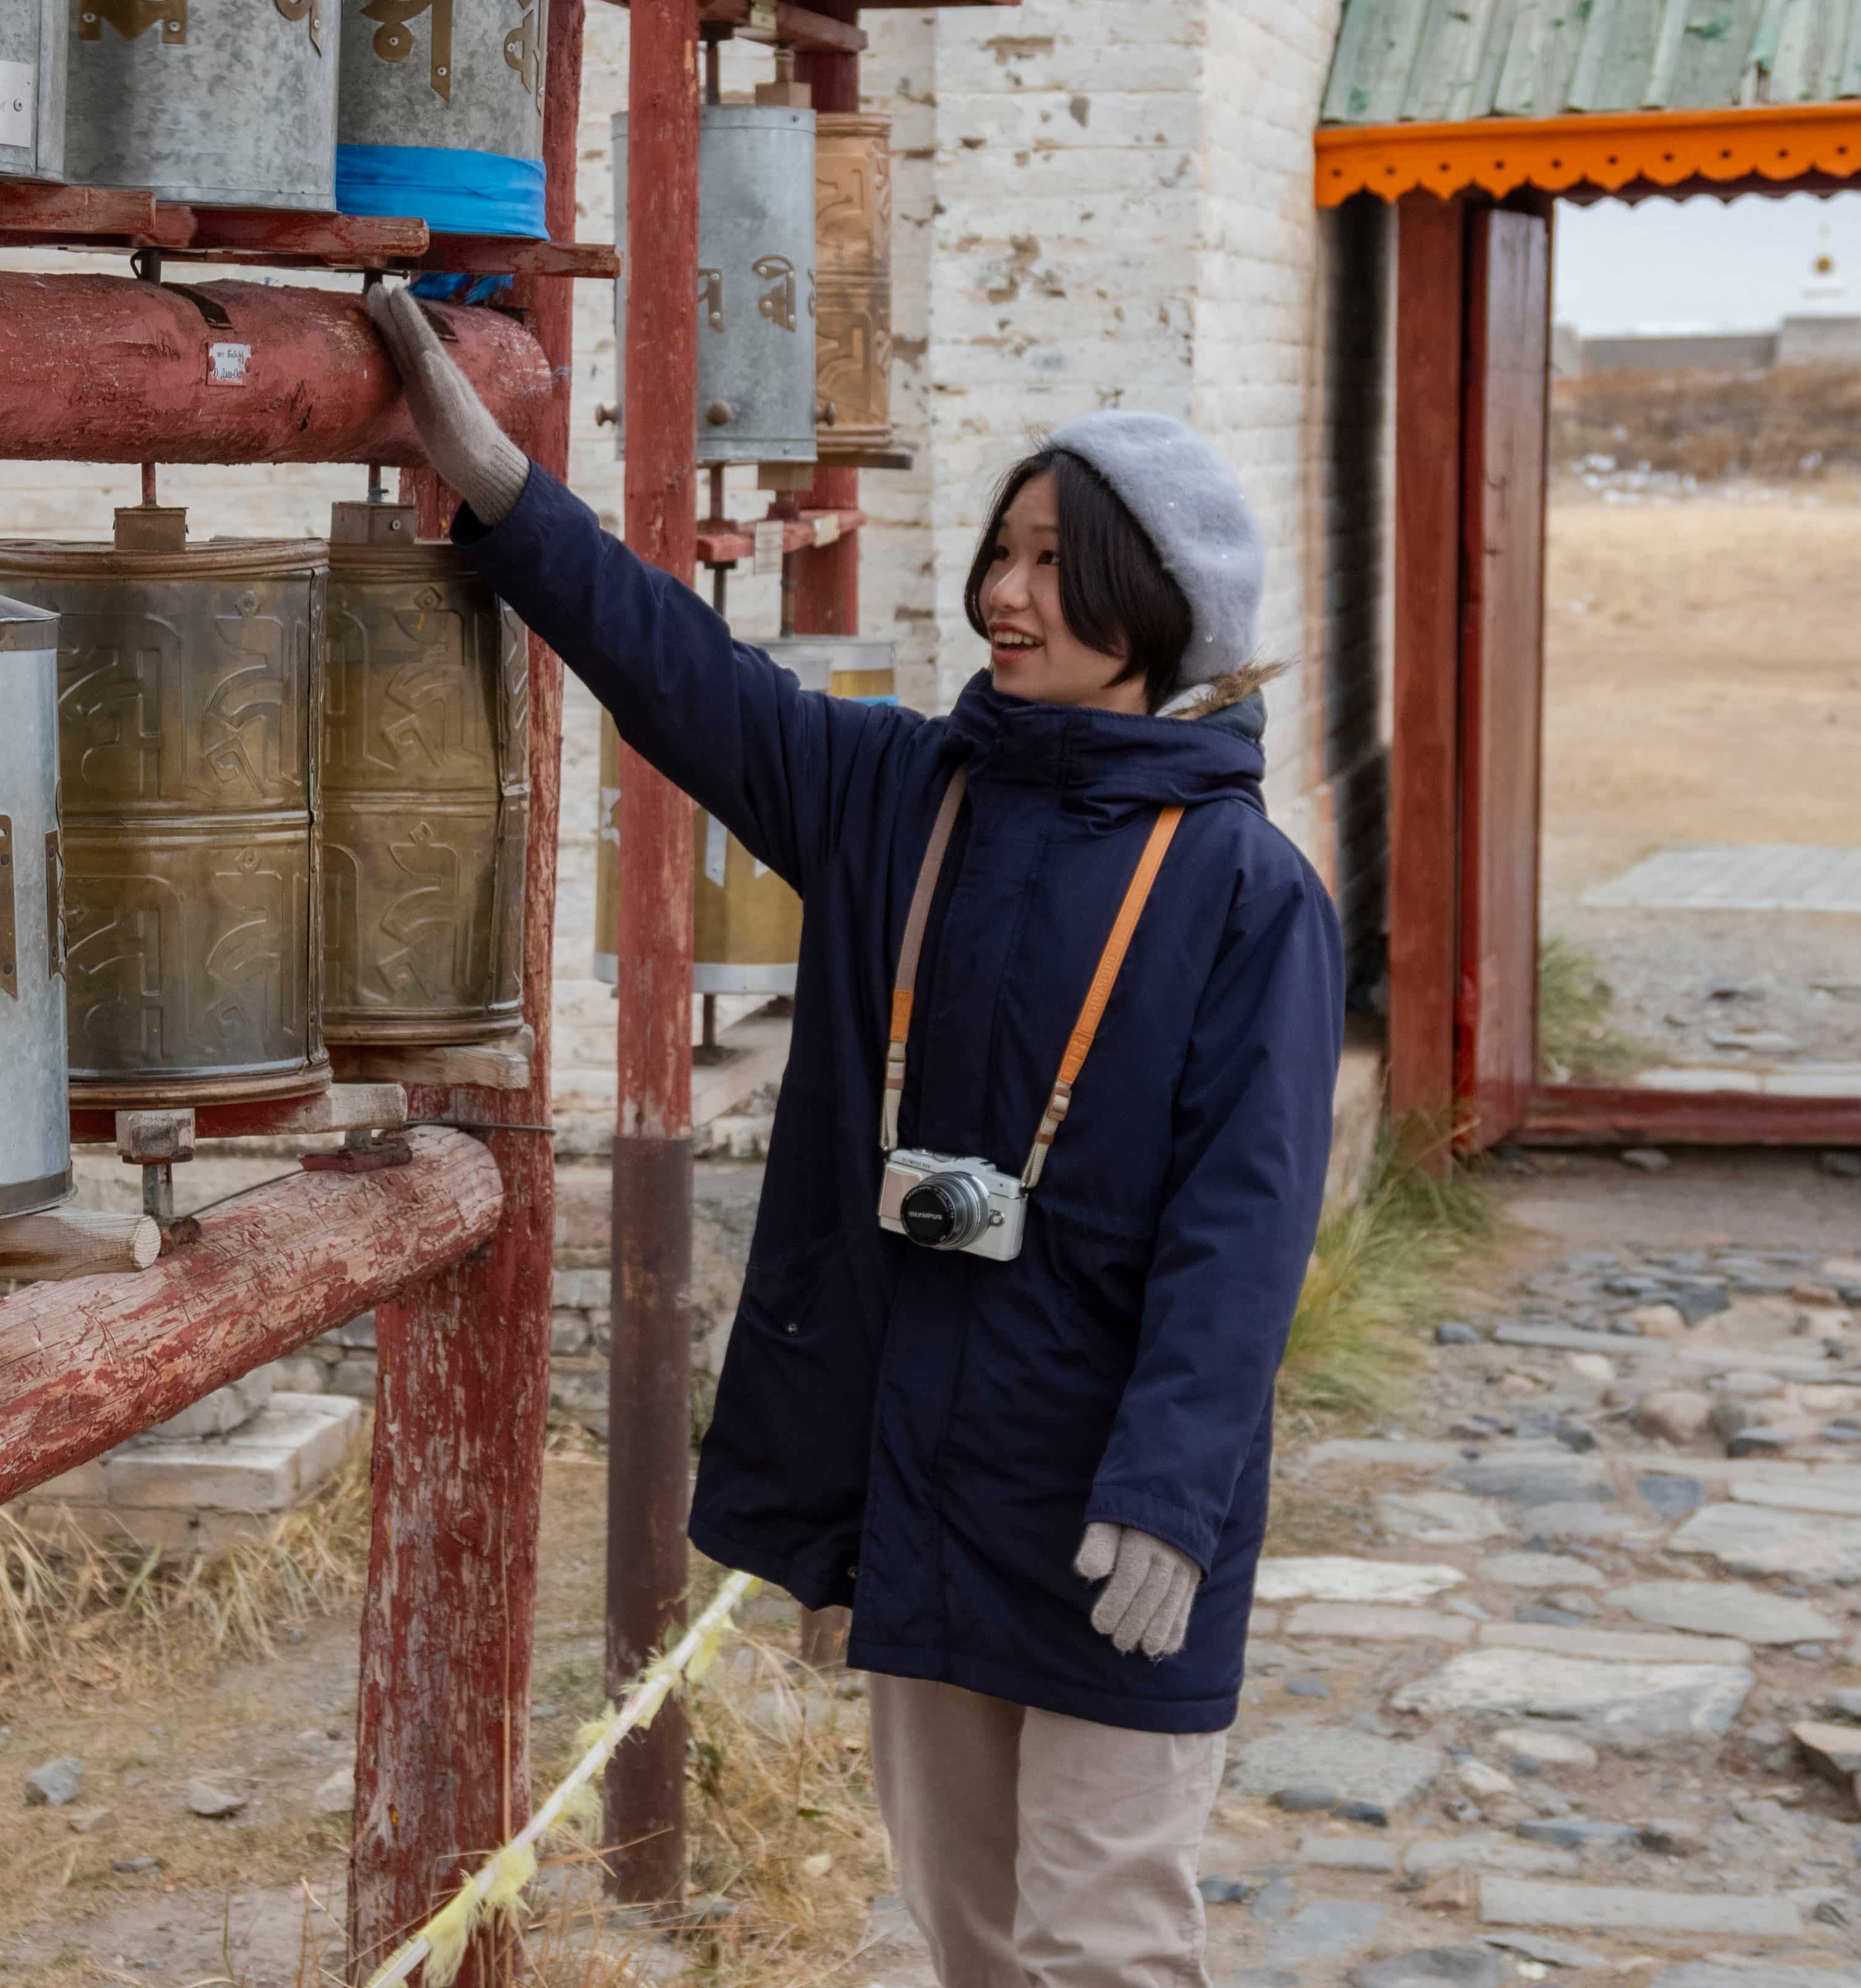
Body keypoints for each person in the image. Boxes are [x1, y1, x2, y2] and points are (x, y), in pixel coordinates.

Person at [366, 285, 1344, 1988]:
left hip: (1118, 1511)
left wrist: (1177, 1499)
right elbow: (685, 678)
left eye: (1054, 564)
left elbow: (1244, 1229)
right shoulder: (905, 794)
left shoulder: (1247, 891)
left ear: (1161, 607)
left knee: (1106, 1943)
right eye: (1002, 554)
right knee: (974, 1943)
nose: (1001, 596)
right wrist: (505, 493)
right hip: (929, 1479)